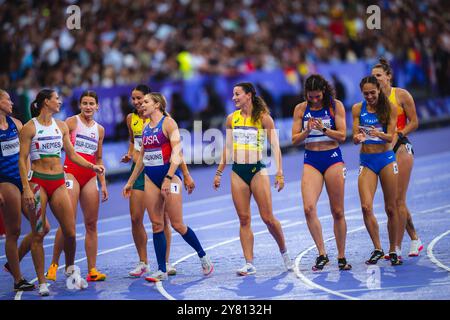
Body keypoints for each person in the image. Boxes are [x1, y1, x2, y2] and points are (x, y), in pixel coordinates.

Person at [18, 89, 105, 296]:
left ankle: (71, 270)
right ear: (46, 102)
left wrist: (92, 167)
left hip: (58, 182)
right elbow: (22, 159)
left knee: (71, 231)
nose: (59, 101)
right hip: (38, 182)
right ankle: (42, 282)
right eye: (56, 99)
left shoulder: (61, 126)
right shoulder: (30, 128)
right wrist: (26, 187)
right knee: (38, 233)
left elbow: (72, 154)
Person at [123, 92, 212, 282]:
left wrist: (170, 177)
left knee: (177, 224)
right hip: (150, 177)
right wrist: (130, 181)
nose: (142, 105)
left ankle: (203, 256)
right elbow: (142, 160)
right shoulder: (146, 127)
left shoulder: (168, 123)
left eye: (146, 102)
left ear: (157, 105)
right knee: (156, 224)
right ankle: (161, 269)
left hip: (170, 177)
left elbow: (178, 153)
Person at [213, 82, 294, 276]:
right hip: (238, 171)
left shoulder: (264, 118)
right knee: (244, 219)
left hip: (258, 170)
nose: (234, 98)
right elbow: (228, 147)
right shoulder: (231, 119)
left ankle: (285, 253)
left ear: (248, 95)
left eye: (237, 94)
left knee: (268, 218)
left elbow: (275, 147)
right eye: (233, 94)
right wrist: (219, 172)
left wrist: (280, 172)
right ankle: (249, 262)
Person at [45, 90, 109, 283]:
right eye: (85, 103)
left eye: (92, 104)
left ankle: (92, 270)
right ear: (80, 105)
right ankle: (54, 265)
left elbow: (98, 158)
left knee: (91, 224)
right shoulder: (71, 122)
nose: (88, 107)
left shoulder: (100, 130)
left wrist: (103, 183)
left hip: (90, 176)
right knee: (68, 221)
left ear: (97, 106)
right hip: (71, 172)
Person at [291, 75, 352, 271]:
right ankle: (322, 253)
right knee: (308, 208)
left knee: (338, 211)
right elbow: (294, 140)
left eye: (317, 96)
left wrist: (324, 128)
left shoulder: (336, 106)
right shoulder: (301, 109)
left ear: (323, 92)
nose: (315, 100)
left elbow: (342, 135)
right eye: (311, 97)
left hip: (332, 157)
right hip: (312, 160)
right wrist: (307, 131)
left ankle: (341, 256)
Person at [372, 58, 422, 258]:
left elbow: (415, 122)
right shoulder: (373, 100)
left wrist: (399, 135)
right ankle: (415, 238)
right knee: (390, 203)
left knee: (399, 199)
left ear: (388, 76)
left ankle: (396, 247)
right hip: (384, 150)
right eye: (373, 76)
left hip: (401, 147)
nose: (375, 79)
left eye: (378, 75)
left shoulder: (401, 95)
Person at [352, 76, 402, 266]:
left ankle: (393, 249)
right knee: (366, 206)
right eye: (366, 94)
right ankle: (378, 248)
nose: (370, 96)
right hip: (367, 160)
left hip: (386, 159)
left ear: (379, 90)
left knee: (391, 207)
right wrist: (358, 138)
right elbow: (355, 137)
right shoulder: (358, 109)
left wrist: (377, 133)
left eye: (373, 92)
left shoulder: (390, 107)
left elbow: (390, 137)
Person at [0, 89, 34, 291]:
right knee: (14, 231)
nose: (12, 103)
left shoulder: (17, 124)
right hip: (5, 181)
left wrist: (28, 178)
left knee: (42, 227)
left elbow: (25, 155)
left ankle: (11, 263)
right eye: (7, 100)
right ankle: (18, 278)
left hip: (22, 180)